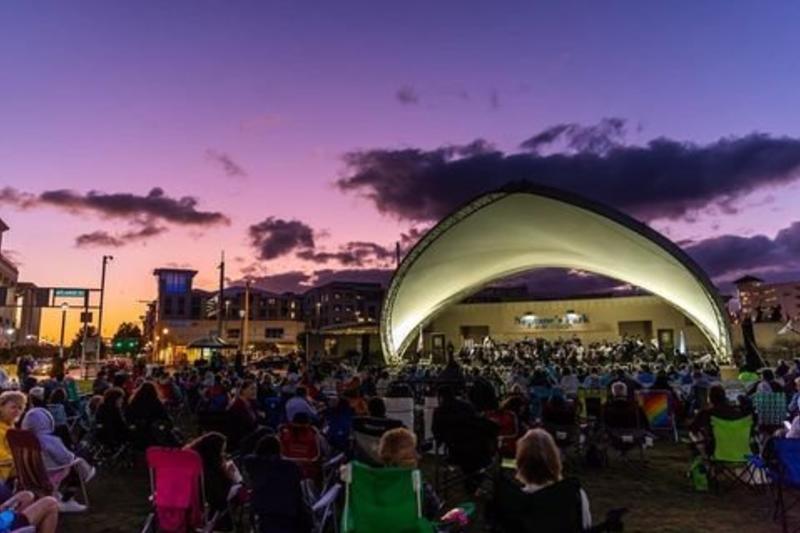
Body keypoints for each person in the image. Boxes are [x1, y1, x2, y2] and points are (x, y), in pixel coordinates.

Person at [510, 429, 592, 530]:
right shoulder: (576, 495)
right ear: (554, 459)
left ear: (521, 464)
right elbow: (586, 526)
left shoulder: (514, 502)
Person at [21, 407, 95, 512]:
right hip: (51, 474)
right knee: (78, 463)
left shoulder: (23, 440)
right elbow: (66, 458)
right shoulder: (48, 440)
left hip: (31, 474)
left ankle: (57, 496)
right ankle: (67, 500)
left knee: (75, 461)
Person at [244, 435, 310, 533]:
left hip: (265, 511)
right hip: (288, 511)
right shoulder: (291, 467)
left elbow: (248, 459)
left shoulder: (255, 465)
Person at [378, 428, 442, 520]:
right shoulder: (418, 484)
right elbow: (435, 508)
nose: (419, 456)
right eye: (414, 451)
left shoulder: (373, 481)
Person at [185, 432, 242, 529]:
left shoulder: (191, 464)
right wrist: (231, 477)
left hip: (189, 502)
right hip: (210, 505)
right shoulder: (211, 471)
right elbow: (220, 495)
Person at [126, 381, 175, 447]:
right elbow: (166, 418)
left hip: (138, 434)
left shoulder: (134, 402)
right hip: (154, 435)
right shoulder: (156, 403)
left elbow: (129, 417)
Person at [226, 380, 261, 451]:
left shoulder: (251, 404)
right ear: (243, 390)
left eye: (255, 389)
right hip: (242, 440)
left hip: (251, 437)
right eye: (252, 389)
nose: (255, 392)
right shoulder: (237, 405)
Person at [0, 391, 26, 481]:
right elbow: (3, 458)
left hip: (12, 475)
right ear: (1, 407)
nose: (17, 411)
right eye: (13, 407)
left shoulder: (10, 426)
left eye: (20, 408)